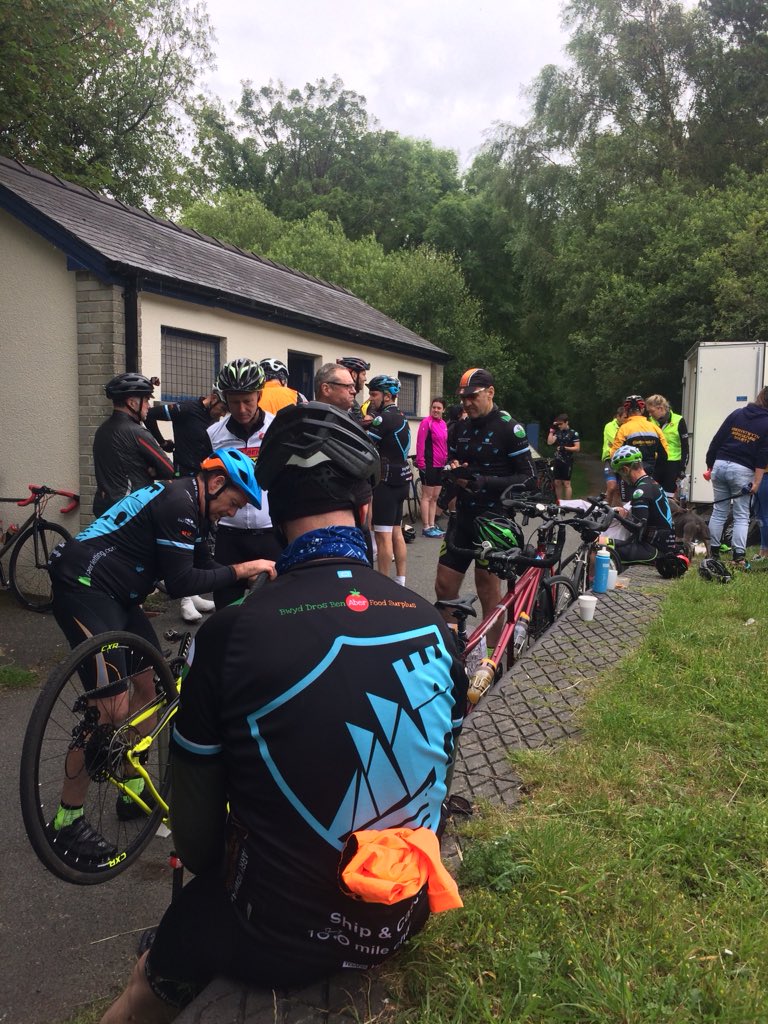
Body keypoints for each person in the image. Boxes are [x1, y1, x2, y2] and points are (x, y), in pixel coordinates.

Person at [99, 402, 467, 1024]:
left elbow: (191, 833)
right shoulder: (433, 624)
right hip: (407, 908)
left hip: (273, 934)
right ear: (366, 509)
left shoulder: (231, 635)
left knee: (146, 985)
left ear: (275, 513)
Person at [47, 449, 276, 863]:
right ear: (217, 482)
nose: (232, 513)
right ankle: (66, 821)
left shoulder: (198, 509)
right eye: (234, 503)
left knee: (150, 687)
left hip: (120, 594)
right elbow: (181, 581)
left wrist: (253, 586)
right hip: (83, 585)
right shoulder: (179, 503)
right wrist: (246, 568)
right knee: (108, 708)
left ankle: (132, 791)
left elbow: (207, 566)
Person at [435, 368, 535, 649]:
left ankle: (492, 659)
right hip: (463, 517)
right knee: (444, 586)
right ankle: (452, 649)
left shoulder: (508, 427)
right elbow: (456, 462)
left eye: (472, 396)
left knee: (487, 589)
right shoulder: (461, 427)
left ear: (490, 392)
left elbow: (528, 479)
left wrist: (484, 482)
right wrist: (452, 474)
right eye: (463, 397)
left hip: (494, 520)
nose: (466, 402)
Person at [146, 386, 229, 622]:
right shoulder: (187, 409)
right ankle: (184, 599)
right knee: (185, 540)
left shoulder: (215, 422)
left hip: (205, 484)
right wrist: (162, 443)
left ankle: (193, 593)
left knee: (200, 537)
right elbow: (152, 415)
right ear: (213, 398)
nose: (222, 414)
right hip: (185, 481)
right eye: (222, 408)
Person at [208, 358, 282, 608]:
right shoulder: (214, 434)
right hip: (230, 535)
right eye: (234, 402)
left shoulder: (278, 428)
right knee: (227, 608)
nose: (241, 409)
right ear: (224, 399)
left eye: (247, 401)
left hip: (271, 533)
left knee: (275, 608)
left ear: (259, 395)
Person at [92, 373, 175, 517]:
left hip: (104, 509)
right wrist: (153, 470)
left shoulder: (102, 429)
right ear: (132, 403)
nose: (149, 406)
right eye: (147, 400)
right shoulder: (136, 432)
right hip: (129, 510)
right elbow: (169, 470)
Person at [705, 387, 768, 569]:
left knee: (718, 511)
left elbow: (717, 440)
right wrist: (756, 481)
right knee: (741, 515)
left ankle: (713, 554)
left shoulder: (737, 413)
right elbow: (762, 455)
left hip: (721, 464)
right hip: (742, 470)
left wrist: (710, 465)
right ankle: (738, 557)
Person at [365, 375, 411, 584]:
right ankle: (401, 581)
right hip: (402, 481)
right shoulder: (401, 416)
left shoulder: (382, 419)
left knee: (382, 537)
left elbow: (365, 446)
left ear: (386, 396)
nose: (370, 398)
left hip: (386, 483)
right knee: (397, 532)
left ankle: (382, 586)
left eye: (374, 394)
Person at [609, 445, 675, 566]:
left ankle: (593, 584)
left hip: (653, 550)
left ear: (625, 469)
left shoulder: (640, 492)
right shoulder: (653, 484)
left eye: (620, 474)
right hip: (664, 545)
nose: (621, 479)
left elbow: (638, 527)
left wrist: (619, 517)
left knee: (599, 545)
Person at [610, 395, 668, 481]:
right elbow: (665, 454)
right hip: (650, 474)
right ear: (642, 409)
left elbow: (614, 455)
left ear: (626, 411)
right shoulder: (655, 428)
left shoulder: (623, 429)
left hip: (630, 475)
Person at [645, 394, 689, 498]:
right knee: (652, 493)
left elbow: (685, 446)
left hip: (672, 463)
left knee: (668, 496)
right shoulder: (650, 421)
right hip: (655, 463)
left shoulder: (678, 420)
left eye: (652, 411)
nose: (650, 415)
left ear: (660, 408)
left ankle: (668, 514)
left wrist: (682, 467)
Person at [416, 397, 448, 537]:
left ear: (443, 410)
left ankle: (432, 524)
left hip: (440, 465)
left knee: (435, 497)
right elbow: (420, 443)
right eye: (434, 407)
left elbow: (444, 445)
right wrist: (421, 462)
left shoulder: (443, 424)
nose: (435, 410)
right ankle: (426, 527)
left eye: (438, 408)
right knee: (427, 496)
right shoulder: (426, 422)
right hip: (428, 464)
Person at [546, 413, 580, 501]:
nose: (559, 426)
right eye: (558, 424)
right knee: (557, 482)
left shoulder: (573, 433)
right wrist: (551, 430)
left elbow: (577, 448)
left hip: (567, 460)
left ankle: (568, 504)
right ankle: (560, 503)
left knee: (566, 483)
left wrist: (565, 448)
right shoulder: (558, 433)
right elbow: (550, 442)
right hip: (558, 460)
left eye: (561, 424)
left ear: (566, 422)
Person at [601, 405, 628, 507]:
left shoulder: (627, 426)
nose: (626, 420)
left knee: (619, 490)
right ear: (618, 416)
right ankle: (604, 510)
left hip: (624, 460)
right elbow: (618, 441)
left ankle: (617, 514)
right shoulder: (609, 426)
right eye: (624, 417)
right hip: (611, 459)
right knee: (612, 487)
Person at [336, 356, 370, 422]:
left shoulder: (348, 400)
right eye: (363, 374)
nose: (365, 379)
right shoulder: (346, 402)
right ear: (354, 375)